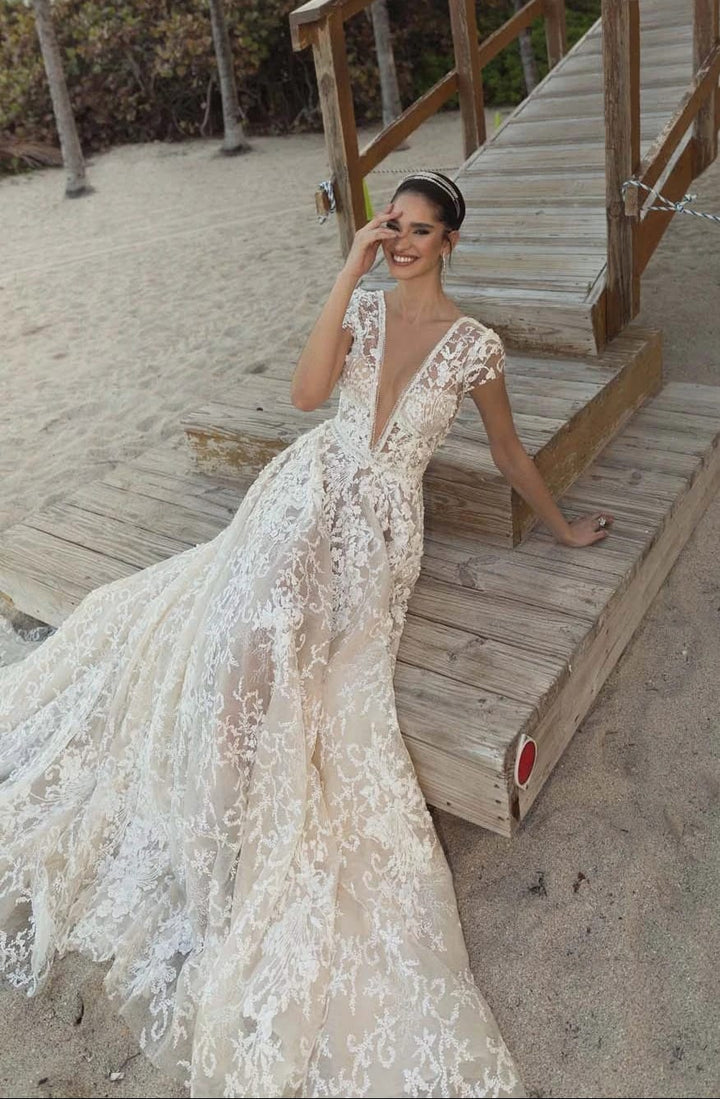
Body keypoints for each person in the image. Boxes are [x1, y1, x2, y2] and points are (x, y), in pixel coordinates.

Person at [0, 171, 612, 1099]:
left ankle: (243, 844)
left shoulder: (476, 348)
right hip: (303, 489)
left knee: (321, 672)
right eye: (390, 227)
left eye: (417, 230)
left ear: (451, 239)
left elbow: (506, 453)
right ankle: (218, 837)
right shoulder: (364, 308)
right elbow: (304, 394)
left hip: (380, 528)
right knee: (252, 645)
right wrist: (348, 272)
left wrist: (562, 527)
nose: (399, 241)